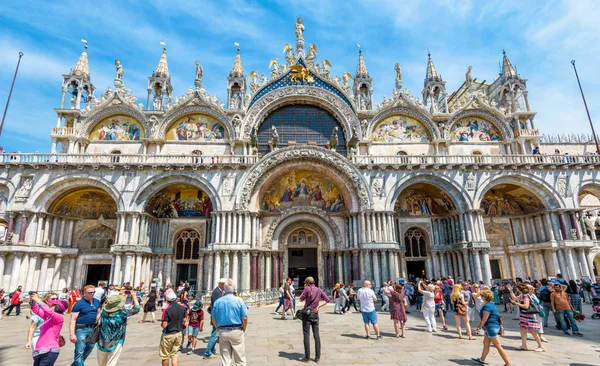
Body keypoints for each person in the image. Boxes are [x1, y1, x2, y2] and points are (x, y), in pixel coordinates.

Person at [96, 291, 140, 366]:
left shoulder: (103, 311)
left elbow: (105, 307)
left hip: (102, 341)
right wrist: (134, 296)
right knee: (111, 363)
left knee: (101, 364)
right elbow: (136, 309)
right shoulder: (122, 313)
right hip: (116, 341)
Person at [211, 278, 248, 366]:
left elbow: (213, 319)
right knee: (240, 359)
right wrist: (244, 328)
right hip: (236, 330)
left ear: (224, 288)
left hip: (223, 332)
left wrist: (218, 328)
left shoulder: (217, 302)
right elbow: (245, 318)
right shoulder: (239, 300)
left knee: (226, 360)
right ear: (234, 289)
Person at [471, 289, 511, 366]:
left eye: (482, 296)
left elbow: (484, 319)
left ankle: (508, 364)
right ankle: (481, 359)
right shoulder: (491, 304)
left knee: (498, 346)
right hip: (491, 327)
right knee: (486, 343)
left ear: (484, 297)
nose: (481, 297)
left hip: (491, 327)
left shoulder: (487, 306)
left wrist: (477, 329)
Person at [29, 292, 68, 366]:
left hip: (50, 350)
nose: (50, 306)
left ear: (57, 308)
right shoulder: (48, 317)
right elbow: (36, 310)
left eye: (53, 305)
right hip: (40, 349)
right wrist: (33, 301)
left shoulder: (59, 317)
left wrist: (38, 300)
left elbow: (48, 311)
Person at [299, 276, 330, 363]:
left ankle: (307, 357)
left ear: (307, 283)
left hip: (307, 315)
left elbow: (301, 299)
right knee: (316, 335)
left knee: (306, 335)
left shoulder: (307, 289)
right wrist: (318, 306)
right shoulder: (319, 290)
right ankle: (317, 357)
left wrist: (304, 289)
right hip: (315, 314)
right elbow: (327, 300)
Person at [70, 284, 101, 366]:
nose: (92, 294)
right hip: (81, 329)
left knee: (90, 346)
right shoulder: (79, 304)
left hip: (92, 328)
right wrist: (72, 334)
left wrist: (99, 322)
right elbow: (73, 320)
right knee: (79, 350)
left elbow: (98, 313)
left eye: (93, 292)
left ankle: (75, 364)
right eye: (90, 292)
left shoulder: (97, 301)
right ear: (84, 293)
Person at [509, 283, 545, 352]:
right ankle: (524, 345)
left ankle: (541, 346)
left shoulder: (525, 296)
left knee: (532, 331)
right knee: (522, 330)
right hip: (523, 315)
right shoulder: (522, 295)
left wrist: (516, 304)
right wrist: (511, 291)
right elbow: (515, 298)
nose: (516, 289)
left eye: (517, 288)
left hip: (529, 316)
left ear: (520, 289)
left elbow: (526, 306)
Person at [159, 291, 188, 366]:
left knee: (165, 355)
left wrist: (162, 324)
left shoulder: (167, 310)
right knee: (174, 354)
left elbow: (164, 324)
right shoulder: (182, 308)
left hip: (168, 334)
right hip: (178, 333)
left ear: (167, 300)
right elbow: (185, 319)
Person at [25, 293, 55, 359]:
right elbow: (32, 327)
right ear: (47, 300)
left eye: (57, 299)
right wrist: (29, 341)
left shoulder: (56, 312)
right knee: (37, 360)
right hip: (38, 337)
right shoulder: (39, 311)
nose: (55, 301)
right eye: (53, 299)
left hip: (50, 339)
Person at [204, 278, 226, 359]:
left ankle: (212, 350)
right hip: (217, 317)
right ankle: (208, 353)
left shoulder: (219, 291)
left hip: (217, 316)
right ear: (221, 284)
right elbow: (218, 306)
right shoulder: (217, 292)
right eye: (225, 284)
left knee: (216, 334)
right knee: (214, 335)